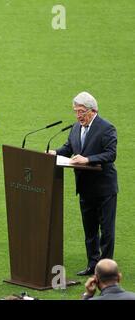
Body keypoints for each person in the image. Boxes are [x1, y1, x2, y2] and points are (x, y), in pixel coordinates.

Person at [50, 92, 118, 275]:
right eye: (76, 111)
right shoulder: (75, 128)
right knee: (90, 230)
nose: (78, 115)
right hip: (85, 188)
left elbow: (111, 154)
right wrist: (53, 153)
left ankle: (106, 269)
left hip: (104, 189)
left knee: (107, 230)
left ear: (92, 111)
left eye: (81, 112)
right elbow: (68, 148)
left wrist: (87, 159)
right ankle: (92, 264)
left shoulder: (106, 128)